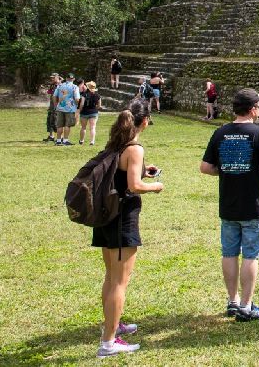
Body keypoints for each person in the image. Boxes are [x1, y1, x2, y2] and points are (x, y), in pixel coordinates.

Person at [93, 98, 163, 358]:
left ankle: (113, 323)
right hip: (122, 218)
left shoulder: (116, 143)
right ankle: (108, 343)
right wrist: (155, 186)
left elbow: (120, 174)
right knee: (120, 282)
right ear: (144, 121)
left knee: (111, 277)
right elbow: (134, 186)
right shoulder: (134, 149)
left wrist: (143, 171)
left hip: (106, 216)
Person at [200, 89, 259, 322]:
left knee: (230, 253)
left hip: (229, 204)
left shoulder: (221, 132)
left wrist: (227, 170)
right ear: (252, 109)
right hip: (254, 205)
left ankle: (232, 301)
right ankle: (245, 306)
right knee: (251, 256)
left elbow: (205, 167)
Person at [54, 73, 81, 145]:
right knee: (67, 125)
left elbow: (54, 96)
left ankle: (58, 140)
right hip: (70, 108)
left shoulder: (60, 86)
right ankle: (65, 140)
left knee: (59, 125)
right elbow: (77, 99)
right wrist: (76, 105)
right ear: (73, 79)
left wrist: (56, 105)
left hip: (60, 108)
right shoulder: (75, 87)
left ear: (66, 78)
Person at [79, 81, 102, 146]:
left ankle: (81, 140)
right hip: (93, 112)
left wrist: (80, 110)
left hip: (84, 112)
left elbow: (82, 104)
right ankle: (92, 141)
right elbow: (99, 106)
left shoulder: (84, 94)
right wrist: (95, 109)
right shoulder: (98, 95)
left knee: (83, 127)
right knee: (92, 127)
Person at [44, 73, 60, 141]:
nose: (52, 79)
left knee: (56, 121)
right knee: (50, 120)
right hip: (52, 106)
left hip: (57, 106)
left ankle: (60, 138)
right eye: (51, 78)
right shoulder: (52, 85)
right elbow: (49, 92)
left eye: (53, 77)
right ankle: (51, 136)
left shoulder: (60, 85)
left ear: (57, 77)